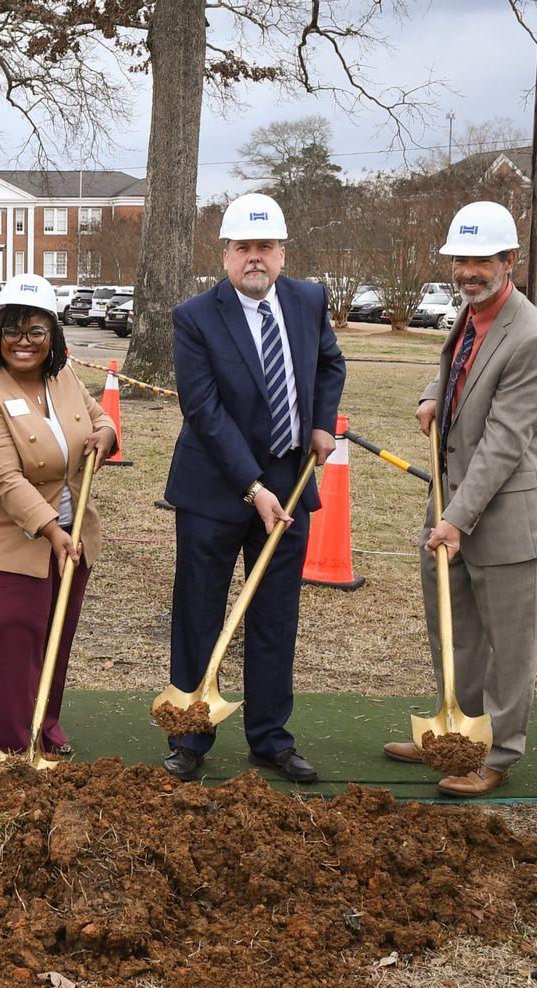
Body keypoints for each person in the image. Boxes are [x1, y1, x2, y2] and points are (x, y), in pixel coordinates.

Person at [160, 193, 346, 785]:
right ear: (225, 254)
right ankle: (190, 733)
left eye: (265, 248)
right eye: (244, 248)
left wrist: (321, 423)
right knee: (200, 611)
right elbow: (204, 411)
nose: (255, 259)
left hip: (289, 491)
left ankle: (270, 738)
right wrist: (252, 486)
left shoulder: (309, 300)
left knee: (273, 616)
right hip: (216, 491)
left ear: (282, 252)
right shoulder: (194, 317)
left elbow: (330, 364)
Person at [382, 201, 537, 798]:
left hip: (504, 514)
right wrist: (434, 393)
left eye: (481, 259)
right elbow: (457, 367)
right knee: (454, 630)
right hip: (453, 500)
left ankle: (498, 754)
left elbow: (505, 443)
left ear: (509, 261)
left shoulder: (532, 337)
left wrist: (455, 520)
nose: (467, 270)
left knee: (509, 645)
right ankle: (454, 733)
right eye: (460, 259)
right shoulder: (470, 314)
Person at [0, 274, 117, 764]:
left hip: (70, 535)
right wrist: (49, 529)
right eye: (13, 331)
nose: (24, 342)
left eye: (36, 331)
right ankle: (2, 746)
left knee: (54, 635)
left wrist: (105, 436)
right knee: (12, 638)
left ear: (53, 338)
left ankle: (43, 724)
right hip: (1, 539)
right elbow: (2, 480)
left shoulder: (61, 379)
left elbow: (98, 418)